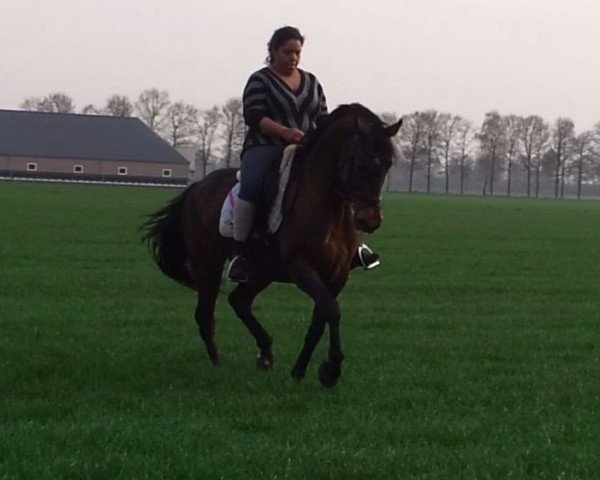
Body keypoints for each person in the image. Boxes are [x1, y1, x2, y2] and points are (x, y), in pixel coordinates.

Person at [228, 26, 379, 283]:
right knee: (252, 186)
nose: (293, 58)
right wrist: (285, 132)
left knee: (342, 185)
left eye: (297, 53)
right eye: (288, 52)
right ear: (273, 51)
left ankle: (354, 247)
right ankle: (239, 253)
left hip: (306, 149)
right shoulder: (259, 80)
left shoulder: (311, 82)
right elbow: (254, 116)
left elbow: (322, 116)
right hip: (266, 146)